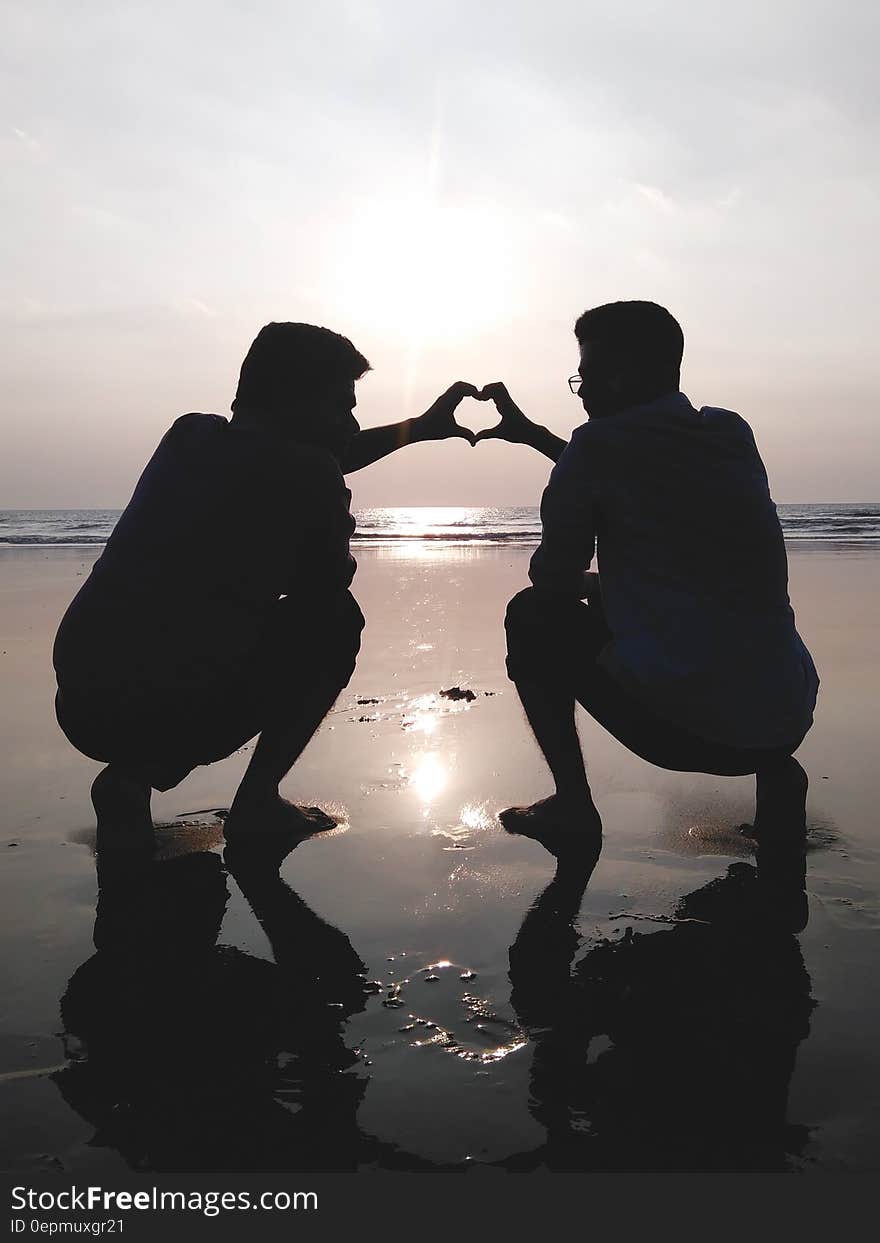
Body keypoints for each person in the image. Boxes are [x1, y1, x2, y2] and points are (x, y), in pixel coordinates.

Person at [53, 322, 478, 846]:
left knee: (190, 640)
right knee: (333, 622)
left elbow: (290, 455)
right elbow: (324, 585)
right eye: (343, 406)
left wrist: (416, 428)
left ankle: (133, 777)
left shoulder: (189, 434)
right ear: (295, 400)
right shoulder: (311, 473)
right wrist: (331, 521)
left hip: (81, 700)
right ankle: (255, 801)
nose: (352, 420)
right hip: (160, 705)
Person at [477, 301, 819, 885]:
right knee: (717, 615)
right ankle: (776, 774)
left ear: (620, 376)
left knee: (532, 615)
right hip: (787, 719)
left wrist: (590, 585)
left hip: (687, 734)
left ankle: (573, 806)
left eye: (584, 375)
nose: (579, 392)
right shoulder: (731, 432)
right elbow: (645, 479)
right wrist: (538, 437)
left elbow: (553, 581)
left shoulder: (595, 449)